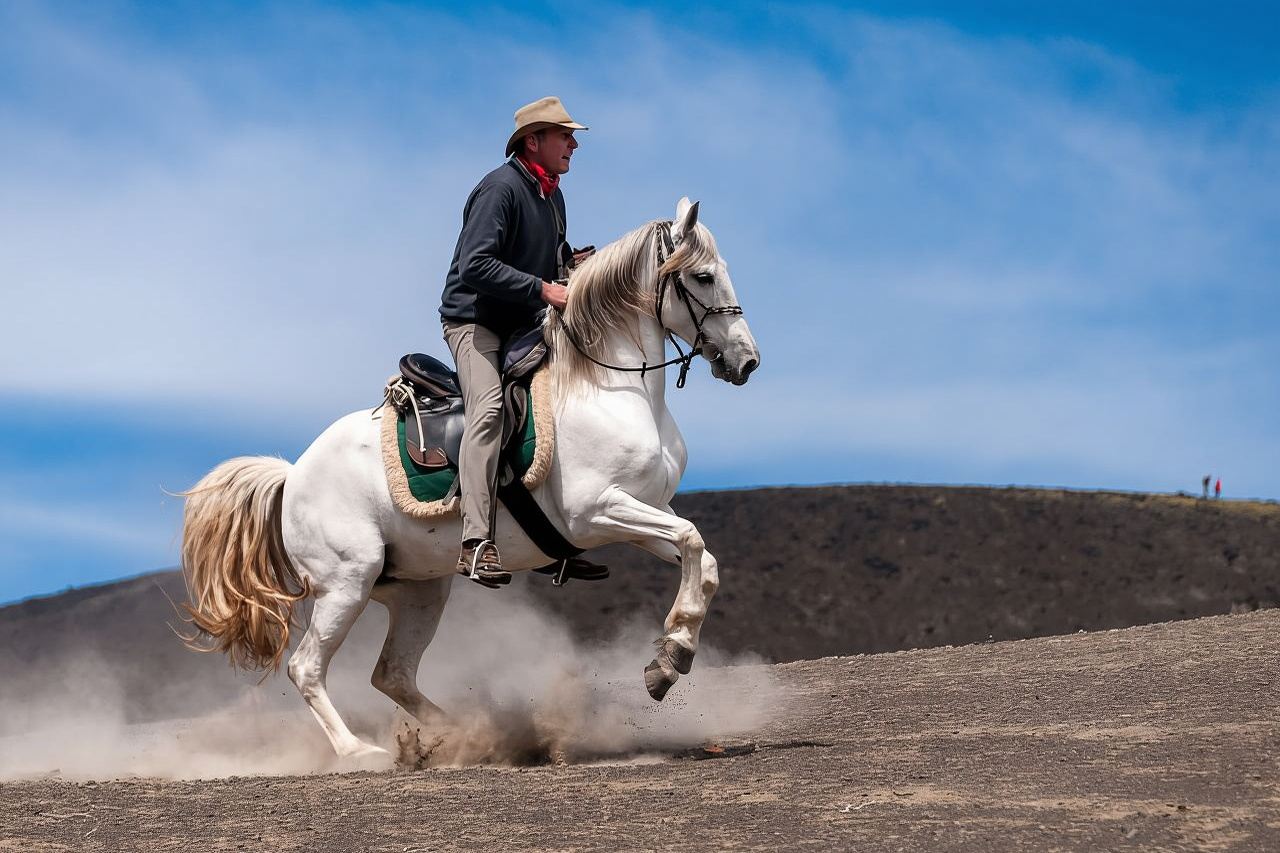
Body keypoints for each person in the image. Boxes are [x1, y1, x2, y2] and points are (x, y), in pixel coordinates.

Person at [438, 96, 588, 587]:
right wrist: (544, 288)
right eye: (564, 135)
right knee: (488, 411)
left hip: (522, 324)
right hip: (475, 323)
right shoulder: (500, 188)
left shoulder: (554, 196)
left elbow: (552, 259)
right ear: (533, 141)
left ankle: (550, 536)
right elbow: (474, 266)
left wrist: (575, 267)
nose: (573, 143)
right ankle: (475, 541)